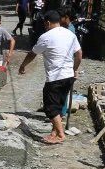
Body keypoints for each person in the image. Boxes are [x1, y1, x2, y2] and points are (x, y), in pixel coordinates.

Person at [18, 9, 83, 144]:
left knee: (50, 108)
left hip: (55, 78)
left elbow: (33, 53)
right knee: (58, 106)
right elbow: (79, 54)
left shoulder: (46, 36)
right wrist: (74, 69)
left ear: (47, 23)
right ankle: (54, 132)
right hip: (68, 77)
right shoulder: (70, 34)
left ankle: (60, 134)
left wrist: (23, 65)